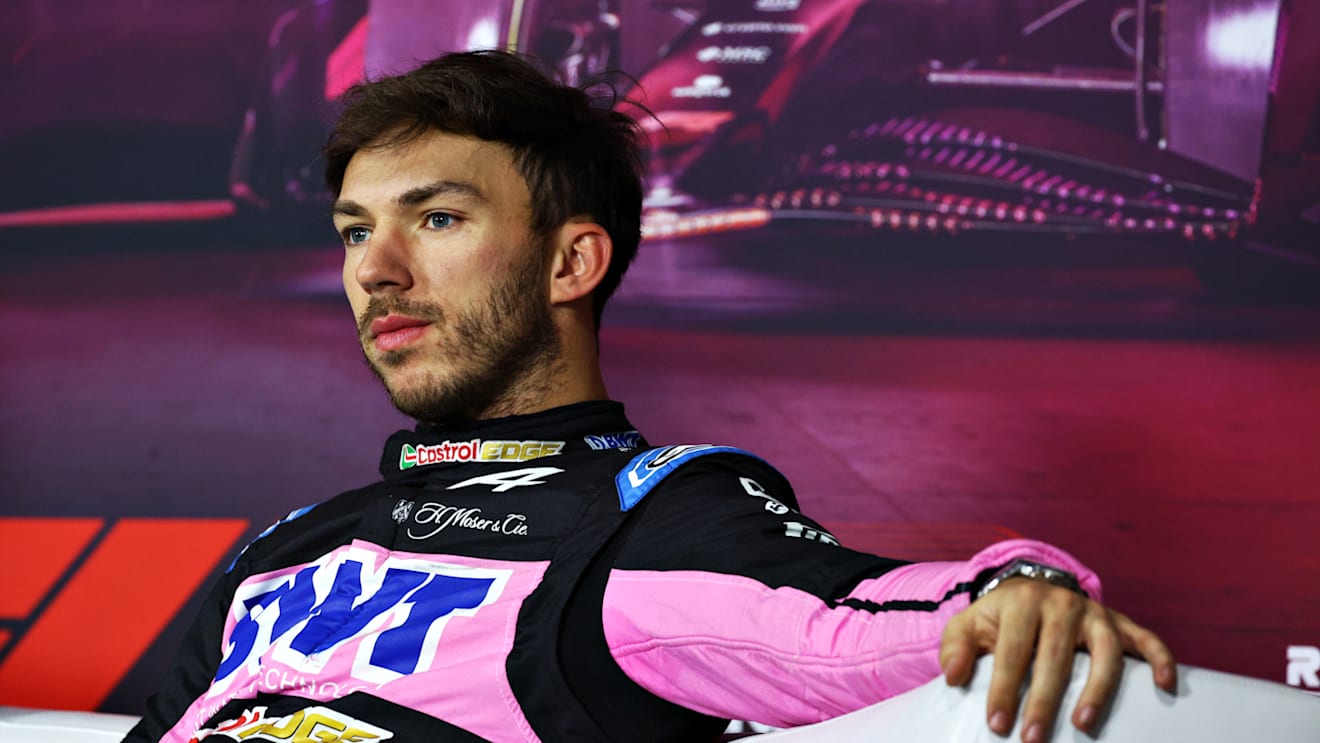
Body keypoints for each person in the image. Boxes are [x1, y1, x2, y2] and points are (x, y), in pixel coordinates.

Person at [124, 50, 1175, 743]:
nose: (376, 269)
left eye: (435, 218)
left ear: (572, 263)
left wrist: (1023, 580)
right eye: (358, 229)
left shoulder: (649, 523)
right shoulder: (288, 547)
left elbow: (865, 626)